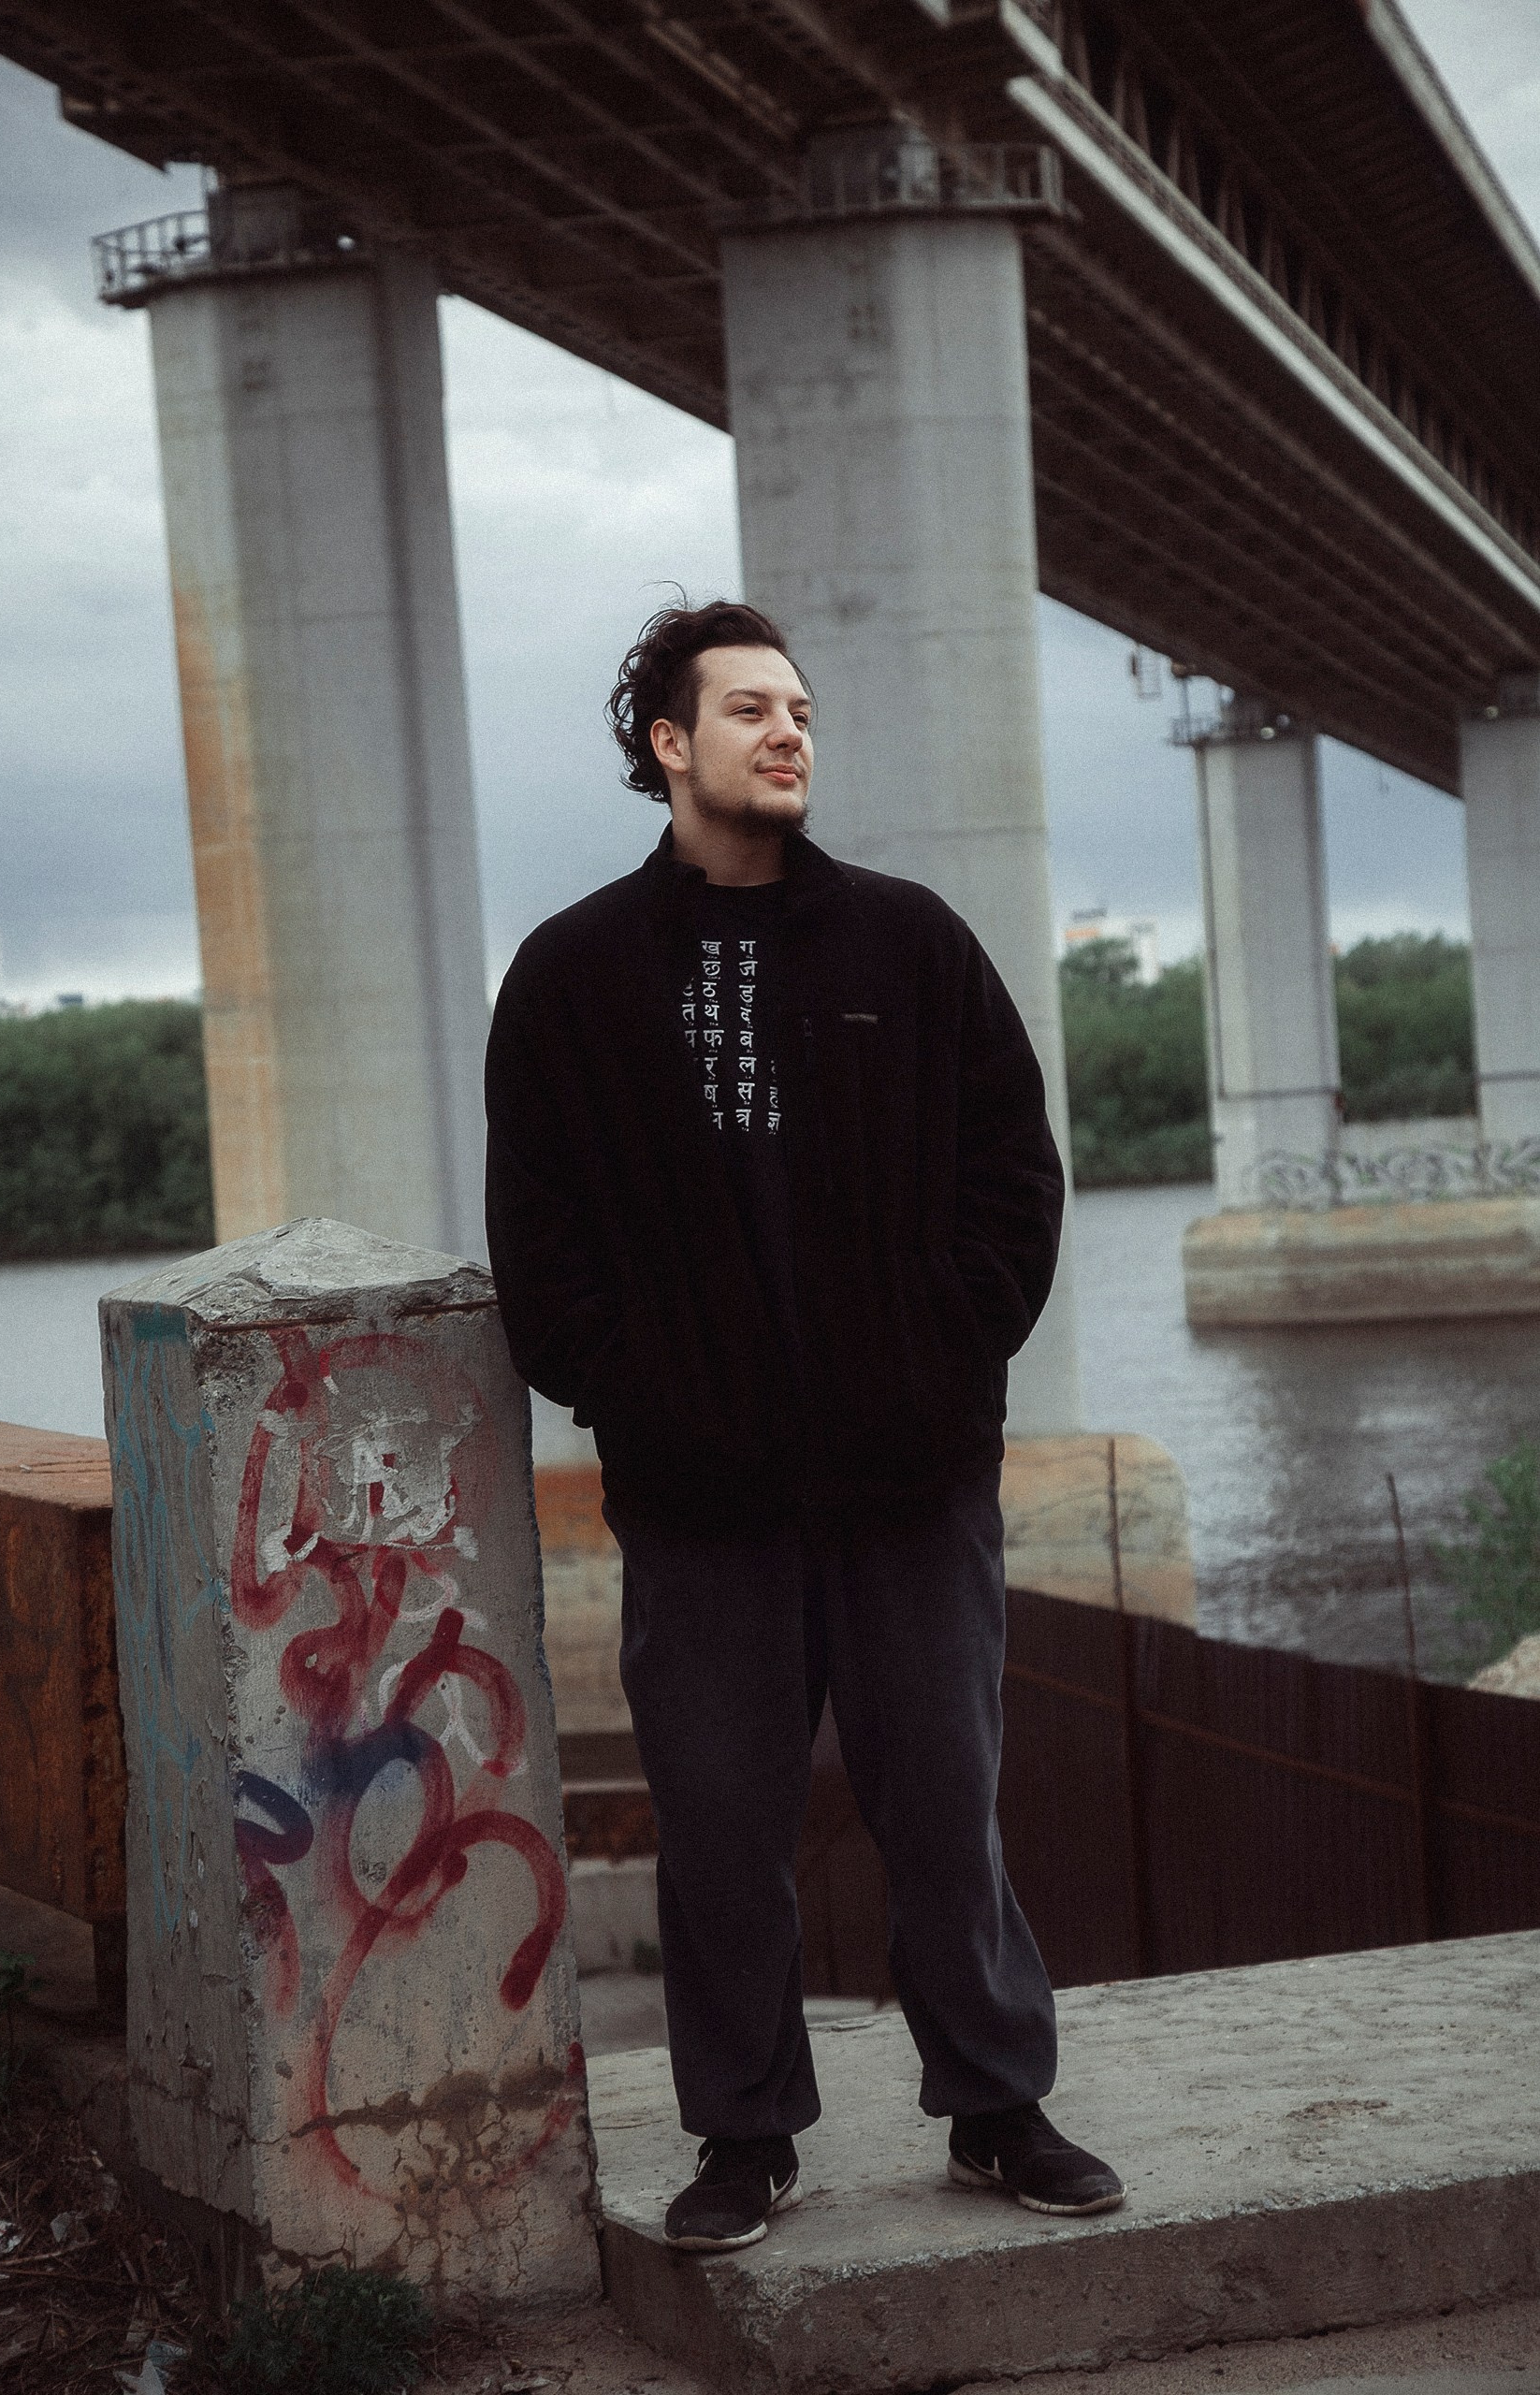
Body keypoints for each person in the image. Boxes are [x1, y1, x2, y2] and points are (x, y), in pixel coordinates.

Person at [485, 599, 1123, 2251]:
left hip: (911, 1485)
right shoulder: (571, 976)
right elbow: (541, 1245)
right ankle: (745, 2135)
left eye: (803, 712)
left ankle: (997, 2107)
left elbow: (1014, 1178)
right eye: (749, 709)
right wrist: (646, 1395)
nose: (788, 733)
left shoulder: (909, 943)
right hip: (703, 1504)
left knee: (947, 1807)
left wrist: (939, 1359)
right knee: (719, 1828)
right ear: (667, 744)